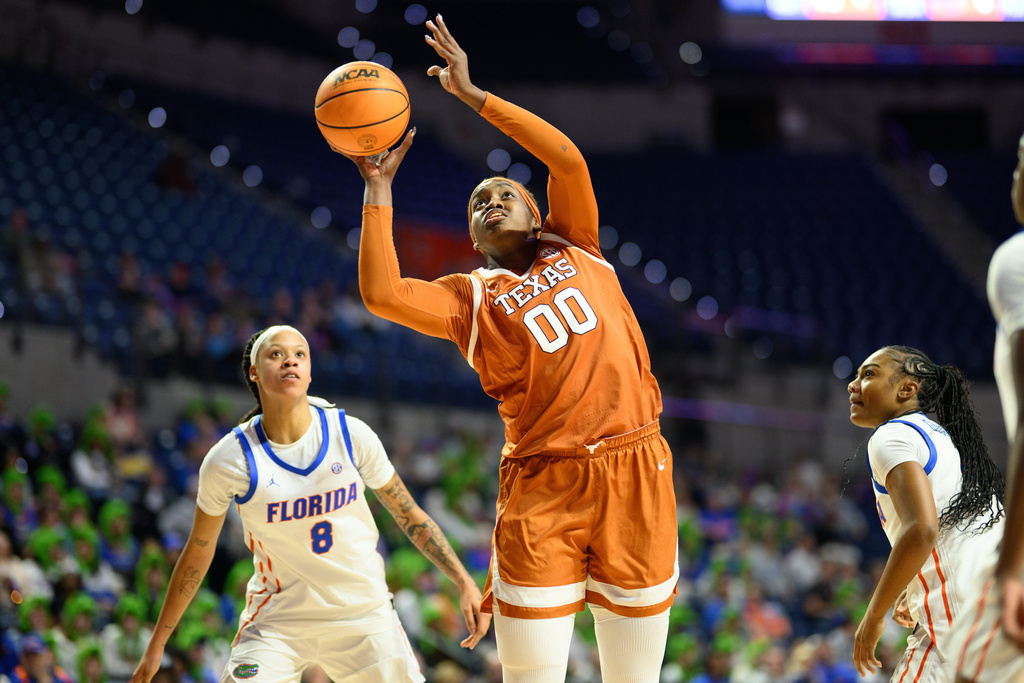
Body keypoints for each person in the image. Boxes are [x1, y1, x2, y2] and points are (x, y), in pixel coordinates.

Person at [340, 15, 678, 683]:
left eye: (504, 195)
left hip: (635, 467)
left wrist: (473, 96)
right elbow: (382, 293)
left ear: (535, 213)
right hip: (542, 486)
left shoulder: (575, 242)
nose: (490, 202)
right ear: (473, 236)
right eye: (477, 203)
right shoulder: (471, 298)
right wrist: (379, 192)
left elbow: (567, 159)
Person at [131, 325, 488, 683]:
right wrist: (158, 642)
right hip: (279, 621)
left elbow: (408, 514)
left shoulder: (351, 435)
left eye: (300, 354)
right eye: (276, 354)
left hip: (363, 615)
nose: (290, 361)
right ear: (254, 373)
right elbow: (198, 550)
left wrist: (463, 581)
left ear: (310, 370)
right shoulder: (229, 460)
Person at [846, 345, 1006, 681]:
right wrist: (915, 586)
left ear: (906, 389)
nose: (853, 384)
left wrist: (874, 614)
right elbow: (960, 526)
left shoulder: (890, 436)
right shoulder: (940, 436)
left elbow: (922, 529)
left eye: (869, 373)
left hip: (964, 622)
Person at [949, 133, 1024, 683]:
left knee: (961, 670)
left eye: (1020, 163)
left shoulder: (1016, 260)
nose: (1014, 177)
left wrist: (1014, 564)